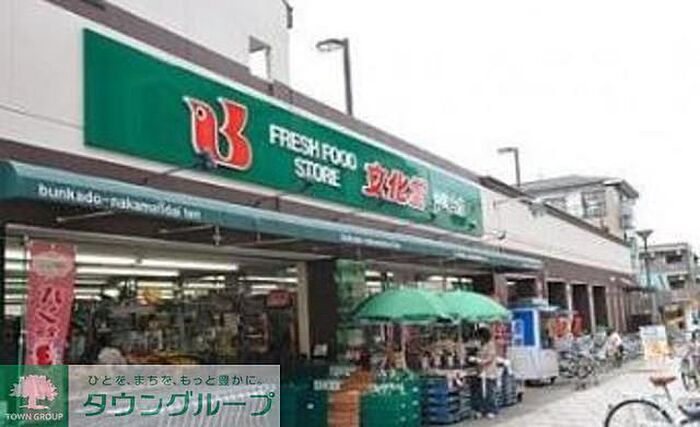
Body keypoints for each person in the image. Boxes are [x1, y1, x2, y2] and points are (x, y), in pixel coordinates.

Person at [475, 327, 499, 419]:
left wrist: (480, 361)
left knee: (489, 392)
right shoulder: (481, 345)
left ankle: (492, 410)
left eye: (479, 337)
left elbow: (490, 358)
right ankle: (482, 410)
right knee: (481, 392)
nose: (478, 339)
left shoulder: (490, 345)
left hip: (489, 372)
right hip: (481, 372)